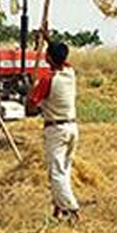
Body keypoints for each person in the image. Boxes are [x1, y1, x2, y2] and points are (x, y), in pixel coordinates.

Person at [27, 41, 79, 222]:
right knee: (64, 170)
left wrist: (31, 91)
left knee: (56, 173)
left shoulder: (48, 80)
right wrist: (48, 38)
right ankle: (59, 209)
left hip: (56, 130)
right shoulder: (70, 73)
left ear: (48, 57)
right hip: (72, 128)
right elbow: (60, 57)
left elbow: (30, 109)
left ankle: (71, 210)